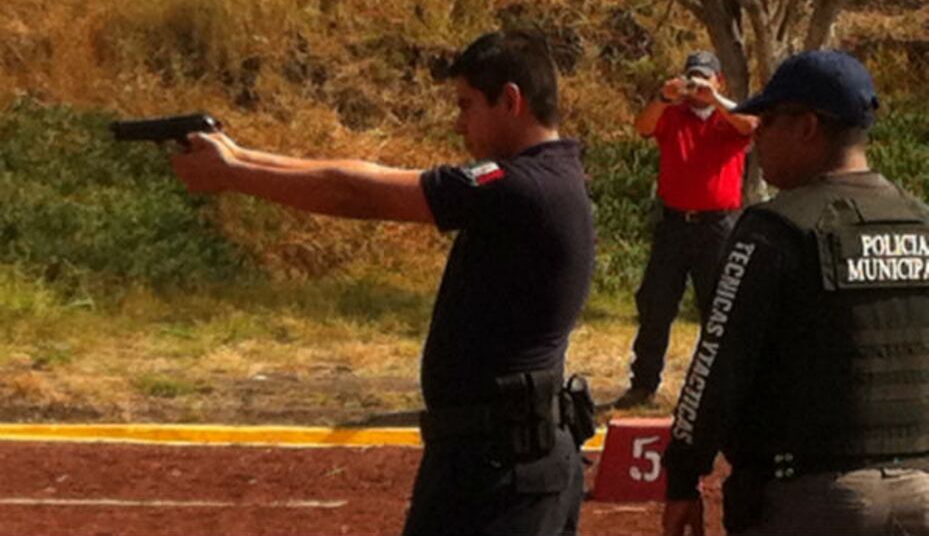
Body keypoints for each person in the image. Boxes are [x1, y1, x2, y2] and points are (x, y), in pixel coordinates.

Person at [170, 30, 596, 536]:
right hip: (500, 458)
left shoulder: (523, 188)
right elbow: (355, 181)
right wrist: (239, 159)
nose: (459, 124)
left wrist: (236, 174)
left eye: (466, 105)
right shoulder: (542, 177)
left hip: (501, 468)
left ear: (510, 100)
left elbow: (361, 193)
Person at [663, 50, 929, 536]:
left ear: (807, 126)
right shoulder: (920, 221)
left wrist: (683, 474)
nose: (756, 133)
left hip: (812, 498)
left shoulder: (775, 227)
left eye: (767, 119)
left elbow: (718, 363)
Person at [615, 51, 758, 409]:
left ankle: (720, 389)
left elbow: (751, 126)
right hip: (675, 223)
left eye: (704, 79)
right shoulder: (673, 116)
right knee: (656, 304)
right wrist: (665, 97)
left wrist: (717, 100)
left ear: (718, 80)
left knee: (719, 309)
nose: (697, 86)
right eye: (692, 78)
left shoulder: (728, 120)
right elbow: (643, 127)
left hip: (717, 226)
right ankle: (643, 383)